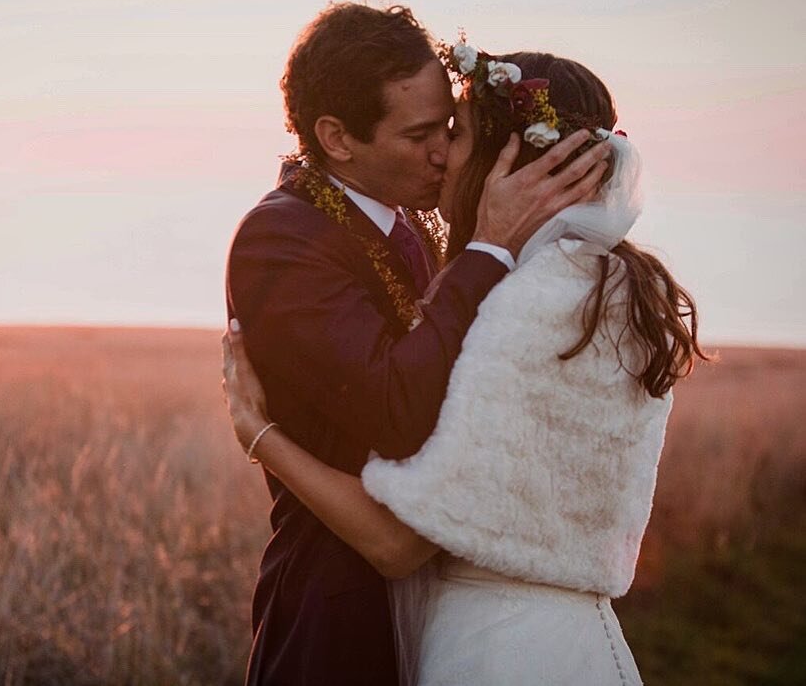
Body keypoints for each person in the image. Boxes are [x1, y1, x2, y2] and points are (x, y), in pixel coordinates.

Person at [223, 45, 706, 685]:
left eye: (455, 134)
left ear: (508, 159)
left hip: (496, 650)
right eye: (429, 133)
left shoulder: (521, 302)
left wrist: (259, 435)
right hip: (576, 640)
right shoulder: (616, 286)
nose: (442, 154)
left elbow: (398, 545)